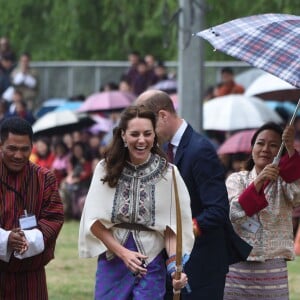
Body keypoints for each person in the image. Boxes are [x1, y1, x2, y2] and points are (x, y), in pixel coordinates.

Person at [136, 90, 252, 300]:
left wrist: (181, 233)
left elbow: (217, 210)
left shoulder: (200, 150)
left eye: (148, 127)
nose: (146, 134)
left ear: (163, 116)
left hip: (202, 261)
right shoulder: (162, 149)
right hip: (171, 261)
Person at [78, 105, 194, 299]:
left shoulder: (169, 173)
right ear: (123, 135)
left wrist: (175, 268)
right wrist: (123, 253)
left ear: (154, 136)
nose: (142, 140)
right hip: (113, 260)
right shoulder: (105, 168)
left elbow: (172, 229)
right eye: (135, 134)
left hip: (152, 262)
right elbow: (93, 222)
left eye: (147, 134)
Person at [223, 122, 300, 300]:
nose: (265, 149)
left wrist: (290, 148)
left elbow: (297, 196)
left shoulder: (285, 182)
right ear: (252, 148)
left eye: (273, 145)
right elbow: (234, 213)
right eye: (260, 143)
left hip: (272, 269)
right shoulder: (236, 179)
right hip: (237, 268)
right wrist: (259, 180)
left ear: (279, 152)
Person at [0, 117, 64, 299]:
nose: (18, 155)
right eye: (12, 148)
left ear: (32, 147)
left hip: (30, 276)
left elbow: (55, 218)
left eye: (25, 149)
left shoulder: (44, 178)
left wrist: (26, 239)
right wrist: (5, 239)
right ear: (0, 145)